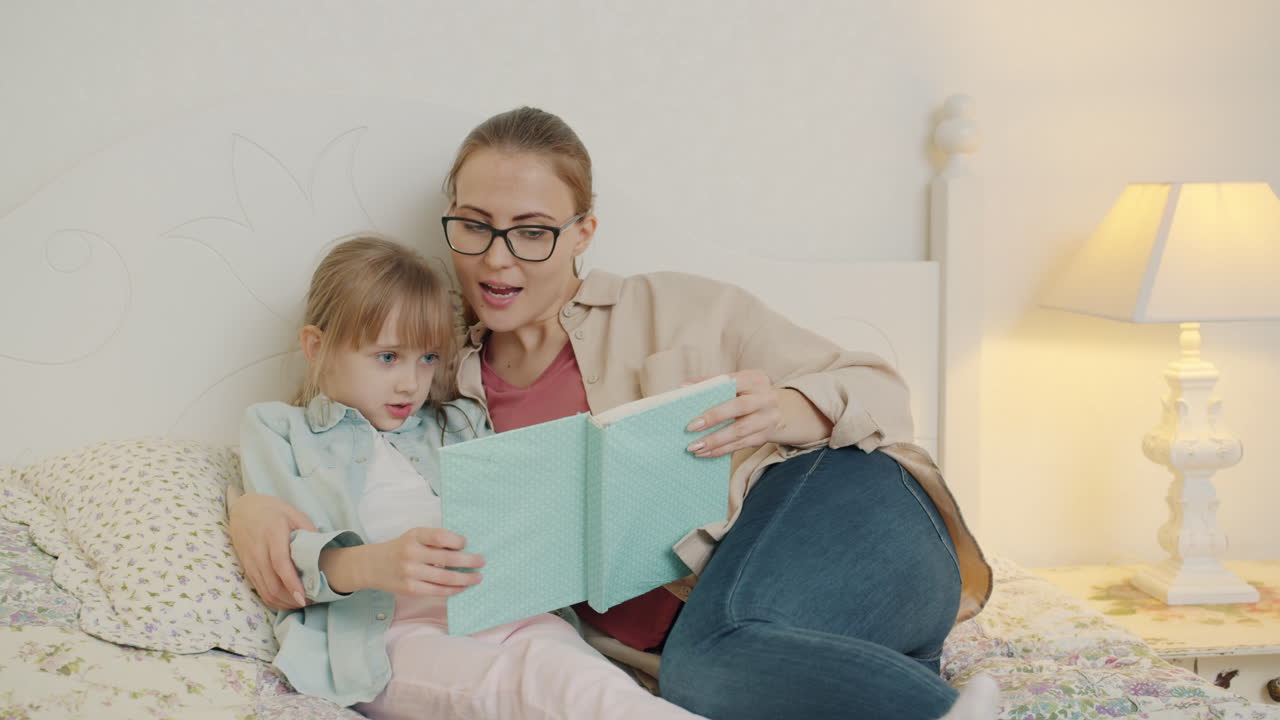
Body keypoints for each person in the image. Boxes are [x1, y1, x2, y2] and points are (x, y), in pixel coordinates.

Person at [230, 110, 1000, 720]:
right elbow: (342, 433)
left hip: (848, 515)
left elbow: (879, 388)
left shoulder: (677, 307)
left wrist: (788, 409)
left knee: (711, 661)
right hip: (759, 642)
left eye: (532, 232)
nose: (498, 260)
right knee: (710, 678)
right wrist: (252, 508)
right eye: (474, 226)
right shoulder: (442, 392)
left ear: (582, 235)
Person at [236, 235, 704, 719]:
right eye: (387, 357)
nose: (410, 382)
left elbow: (511, 517)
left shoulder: (456, 421)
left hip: (508, 615)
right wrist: (375, 564)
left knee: (598, 688)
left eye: (428, 358)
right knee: (523, 692)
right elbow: (284, 562)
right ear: (317, 347)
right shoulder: (279, 430)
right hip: (386, 637)